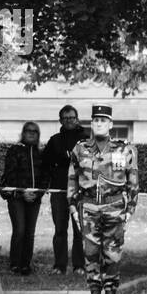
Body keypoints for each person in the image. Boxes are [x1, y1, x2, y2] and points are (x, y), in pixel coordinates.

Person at [69, 104, 138, 294]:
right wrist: (72, 207)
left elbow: (133, 182)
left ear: (110, 124)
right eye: (95, 120)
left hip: (114, 207)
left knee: (112, 255)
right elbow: (72, 181)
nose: (99, 123)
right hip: (88, 207)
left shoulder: (124, 149)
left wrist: (129, 210)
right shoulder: (80, 149)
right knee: (90, 255)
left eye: (103, 120)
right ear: (91, 124)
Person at [41, 105, 88, 274]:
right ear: (60, 120)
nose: (69, 121)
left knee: (79, 230)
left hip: (80, 192)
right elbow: (44, 164)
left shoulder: (86, 139)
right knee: (60, 230)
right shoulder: (55, 140)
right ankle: (59, 266)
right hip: (59, 192)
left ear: (77, 119)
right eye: (66, 118)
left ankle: (79, 265)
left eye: (72, 118)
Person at [0, 120, 43, 275]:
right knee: (19, 229)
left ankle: (26, 264)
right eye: (28, 130)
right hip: (17, 197)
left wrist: (36, 193)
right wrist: (23, 192)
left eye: (34, 131)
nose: (31, 133)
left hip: (34, 198)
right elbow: (10, 175)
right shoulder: (14, 150)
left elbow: (45, 177)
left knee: (30, 232)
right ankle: (15, 263)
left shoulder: (41, 153)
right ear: (23, 133)